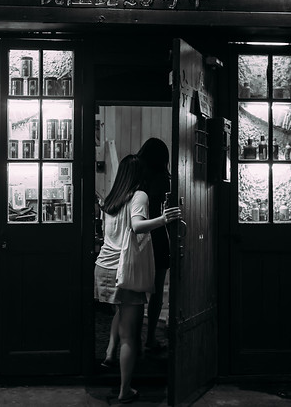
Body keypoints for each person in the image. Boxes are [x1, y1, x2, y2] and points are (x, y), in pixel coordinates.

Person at [94, 154, 181, 404]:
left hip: (104, 269)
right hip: (125, 271)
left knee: (120, 315)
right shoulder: (139, 196)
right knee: (131, 336)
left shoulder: (111, 200)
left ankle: (110, 353)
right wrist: (165, 219)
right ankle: (125, 390)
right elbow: (138, 226)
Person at [137, 137, 172, 352]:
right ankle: (150, 337)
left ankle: (132, 339)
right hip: (158, 235)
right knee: (157, 289)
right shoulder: (164, 180)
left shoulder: (136, 178)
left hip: (138, 236)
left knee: (136, 289)